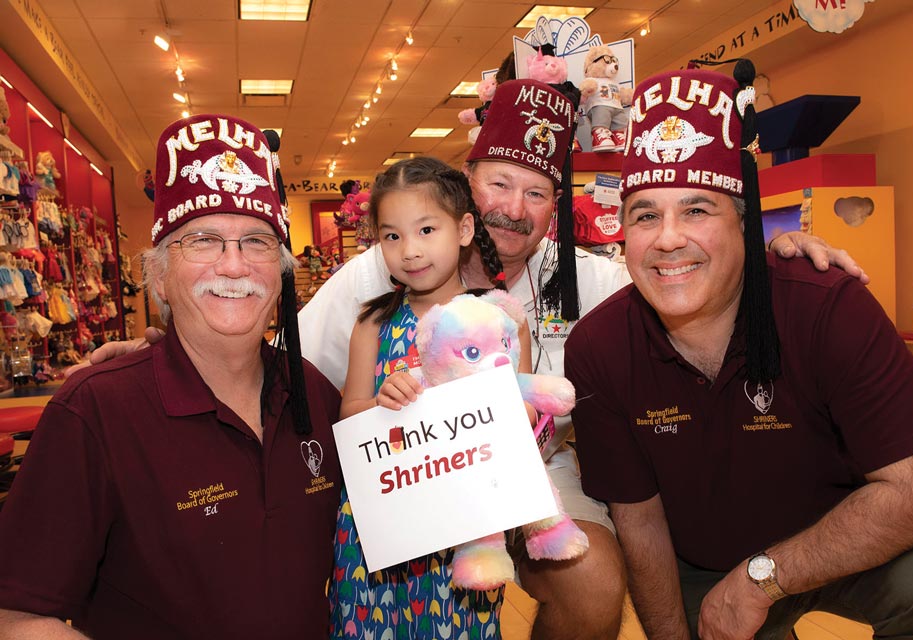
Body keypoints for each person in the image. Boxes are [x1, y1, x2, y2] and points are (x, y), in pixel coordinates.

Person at [82, 81, 866, 639]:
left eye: (535, 191)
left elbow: (695, 273)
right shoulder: (379, 279)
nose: (513, 207)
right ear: (466, 191)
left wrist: (780, 255)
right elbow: (267, 340)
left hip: (543, 472)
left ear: (553, 205)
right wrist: (171, 338)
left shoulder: (594, 274)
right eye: (499, 182)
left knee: (592, 581)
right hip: (409, 468)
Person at [565, 60, 913, 640]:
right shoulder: (600, 346)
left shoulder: (825, 304)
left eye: (697, 209)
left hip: (848, 545)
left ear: (745, 226)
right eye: (645, 215)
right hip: (704, 565)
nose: (668, 237)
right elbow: (640, 521)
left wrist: (761, 580)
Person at [0, 114, 343, 639]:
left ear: (282, 272)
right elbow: (18, 614)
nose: (234, 266)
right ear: (157, 274)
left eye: (256, 242)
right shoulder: (95, 412)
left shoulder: (314, 394)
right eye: (203, 240)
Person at [331, 156, 519, 638]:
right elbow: (349, 414)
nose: (409, 250)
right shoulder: (373, 323)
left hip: (465, 528)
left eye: (426, 229)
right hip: (381, 527)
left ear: (463, 229)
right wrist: (381, 402)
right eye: (392, 236)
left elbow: (521, 419)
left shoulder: (499, 321)